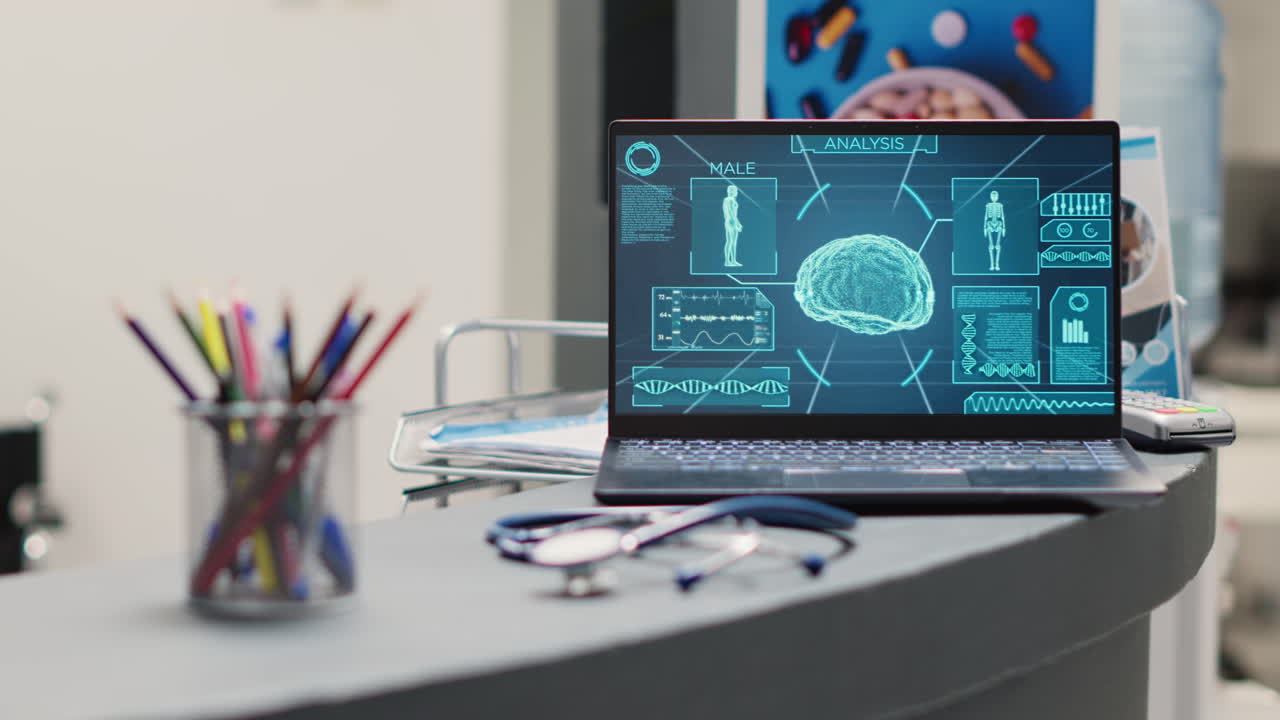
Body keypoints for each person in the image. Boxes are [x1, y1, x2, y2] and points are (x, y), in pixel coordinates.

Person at [984, 190, 1006, 271]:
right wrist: (984, 228)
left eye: (995, 196)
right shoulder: (988, 205)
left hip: (998, 223)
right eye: (992, 196)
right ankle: (991, 265)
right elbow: (986, 217)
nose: (994, 197)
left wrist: (1004, 228)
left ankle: (997, 265)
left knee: (997, 246)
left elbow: (1002, 217)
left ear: (997, 197)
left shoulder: (1000, 205)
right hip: (990, 224)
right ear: (990, 197)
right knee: (991, 246)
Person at [723, 185, 744, 267]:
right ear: (733, 191)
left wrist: (735, 222)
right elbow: (732, 214)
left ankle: (729, 261)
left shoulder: (725, 200)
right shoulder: (731, 200)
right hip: (732, 221)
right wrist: (737, 224)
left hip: (727, 221)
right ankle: (731, 261)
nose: (737, 193)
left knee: (729, 241)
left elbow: (726, 213)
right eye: (736, 191)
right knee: (733, 242)